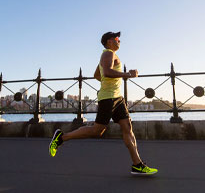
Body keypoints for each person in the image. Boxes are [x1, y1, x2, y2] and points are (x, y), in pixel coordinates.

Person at [49, 31, 158, 175]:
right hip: (108, 99)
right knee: (97, 130)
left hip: (117, 98)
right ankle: (61, 137)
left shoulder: (109, 55)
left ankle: (137, 164)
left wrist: (109, 84)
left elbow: (97, 75)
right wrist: (127, 75)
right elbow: (106, 72)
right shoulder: (108, 53)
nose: (119, 41)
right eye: (117, 38)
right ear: (109, 41)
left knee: (127, 127)